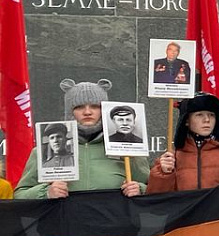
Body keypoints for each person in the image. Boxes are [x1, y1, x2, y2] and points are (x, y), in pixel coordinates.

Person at [14, 80, 146, 199]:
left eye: (95, 106)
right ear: (69, 111)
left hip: (115, 223)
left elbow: (153, 189)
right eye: (79, 107)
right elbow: (20, 195)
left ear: (104, 109)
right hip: (65, 223)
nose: (87, 112)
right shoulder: (42, 152)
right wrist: (46, 192)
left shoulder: (127, 147)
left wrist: (140, 189)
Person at [148, 93, 219, 192]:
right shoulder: (171, 159)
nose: (207, 120)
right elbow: (156, 201)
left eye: (211, 115)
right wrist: (164, 174)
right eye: (199, 115)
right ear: (186, 121)